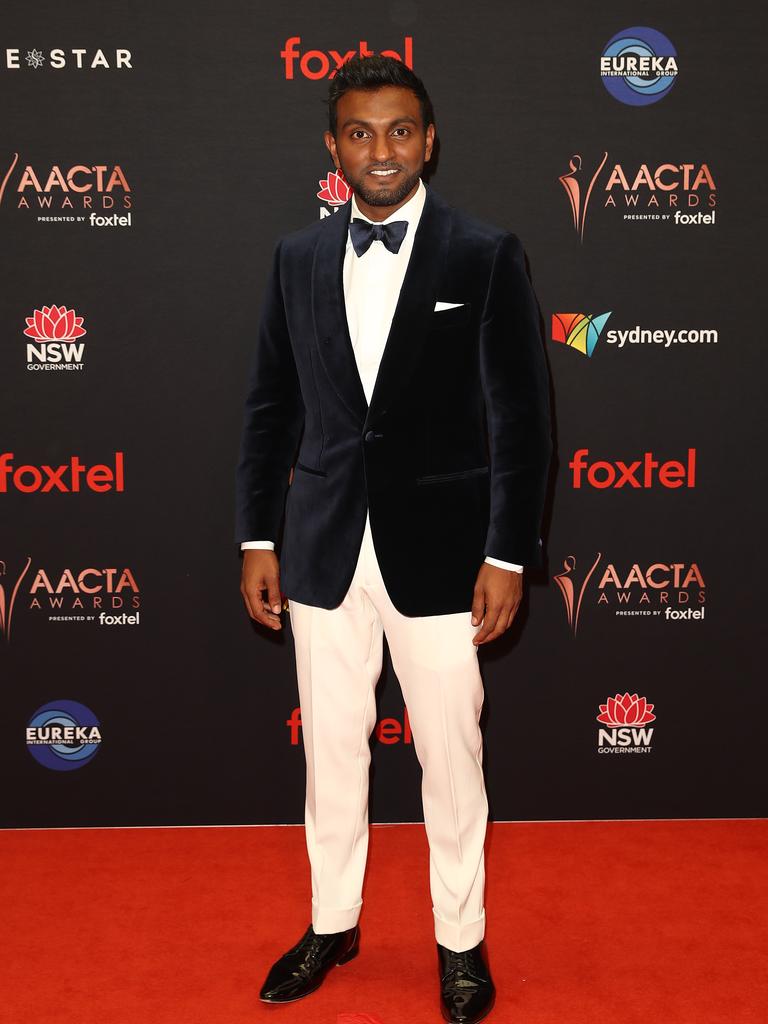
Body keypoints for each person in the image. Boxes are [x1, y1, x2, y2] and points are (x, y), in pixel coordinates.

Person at [235, 54, 551, 1024]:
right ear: (333, 148)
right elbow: (270, 408)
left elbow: (524, 418)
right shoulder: (295, 257)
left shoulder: (484, 253)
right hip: (324, 545)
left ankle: (461, 942)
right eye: (361, 133)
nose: (382, 151)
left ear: (429, 141)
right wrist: (256, 536)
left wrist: (505, 554)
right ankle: (334, 921)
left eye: (400, 131)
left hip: (446, 554)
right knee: (333, 751)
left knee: (451, 756)